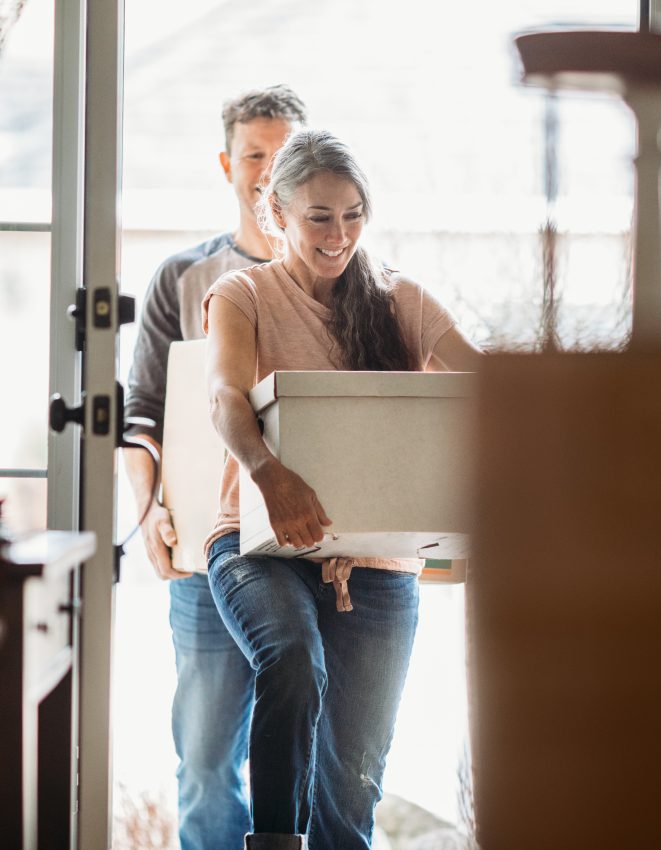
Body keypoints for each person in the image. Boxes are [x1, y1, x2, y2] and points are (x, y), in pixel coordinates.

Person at [203, 129, 480, 850]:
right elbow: (224, 398)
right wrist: (271, 474)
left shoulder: (400, 300)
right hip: (257, 543)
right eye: (320, 216)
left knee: (352, 785)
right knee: (292, 657)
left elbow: (486, 389)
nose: (339, 233)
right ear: (278, 215)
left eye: (353, 213)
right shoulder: (243, 294)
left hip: (379, 562)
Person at [123, 85, 308, 850]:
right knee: (204, 761)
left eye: (283, 153)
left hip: (310, 554)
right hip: (204, 556)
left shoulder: (339, 278)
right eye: (254, 154)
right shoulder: (181, 278)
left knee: (305, 759)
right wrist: (150, 512)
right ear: (227, 164)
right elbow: (141, 414)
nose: (268, 170)